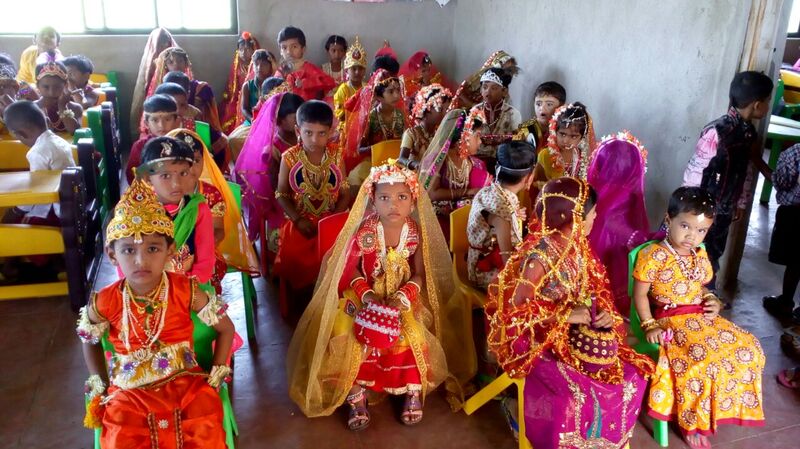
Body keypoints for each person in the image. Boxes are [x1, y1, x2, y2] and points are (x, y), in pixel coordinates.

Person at [286, 163, 472, 429]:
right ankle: (356, 394)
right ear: (372, 200)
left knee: (414, 334)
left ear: (413, 201)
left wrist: (403, 295)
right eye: (384, 198)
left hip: (402, 295)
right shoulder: (365, 231)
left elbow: (420, 274)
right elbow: (349, 272)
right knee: (345, 332)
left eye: (402, 198)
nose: (393, 205)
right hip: (364, 293)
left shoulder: (415, 233)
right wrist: (368, 296)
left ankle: (411, 390)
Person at [486, 177, 655, 449]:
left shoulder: (578, 246)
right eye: (591, 214)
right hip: (537, 337)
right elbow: (516, 312)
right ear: (573, 218)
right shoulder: (539, 257)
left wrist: (604, 314)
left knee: (632, 375)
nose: (596, 217)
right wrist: (567, 315)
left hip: (575, 332)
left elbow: (597, 289)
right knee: (574, 396)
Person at [77, 177, 233, 448]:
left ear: (169, 251)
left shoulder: (187, 290)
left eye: (152, 248)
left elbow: (226, 328)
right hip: (129, 391)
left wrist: (217, 374)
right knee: (121, 431)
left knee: (205, 418)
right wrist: (100, 382)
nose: (141, 260)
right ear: (112, 256)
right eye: (128, 250)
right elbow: (89, 340)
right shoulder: (104, 301)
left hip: (185, 382)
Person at [632, 186, 765, 448]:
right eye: (686, 226)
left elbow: (701, 286)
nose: (692, 236)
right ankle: (691, 421)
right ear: (669, 221)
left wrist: (711, 300)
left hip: (701, 317)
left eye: (701, 230)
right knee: (701, 360)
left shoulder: (699, 255)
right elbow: (639, 295)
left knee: (749, 348)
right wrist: (649, 324)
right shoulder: (653, 256)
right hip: (671, 320)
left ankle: (718, 407)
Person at [683, 71, 774, 294]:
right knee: (692, 251)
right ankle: (685, 295)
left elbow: (746, 170)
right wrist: (688, 205)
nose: (768, 107)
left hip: (724, 209)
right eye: (768, 102)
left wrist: (741, 203)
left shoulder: (749, 133)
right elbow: (696, 169)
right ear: (757, 105)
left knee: (713, 252)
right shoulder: (716, 131)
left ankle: (707, 297)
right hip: (701, 207)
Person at [274, 100, 349, 317]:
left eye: (321, 133)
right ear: (298, 130)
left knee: (341, 254)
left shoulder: (336, 155)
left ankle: (332, 304)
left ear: (331, 131)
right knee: (294, 254)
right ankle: (304, 306)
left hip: (331, 219)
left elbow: (344, 193)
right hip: (301, 221)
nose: (314, 140)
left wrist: (334, 220)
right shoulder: (289, 157)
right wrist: (298, 219)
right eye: (308, 133)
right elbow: (282, 194)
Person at [168, 129, 260, 290]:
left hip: (204, 253)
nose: (190, 167)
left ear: (204, 160)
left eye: (196, 160)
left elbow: (218, 230)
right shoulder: (159, 194)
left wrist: (198, 249)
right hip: (165, 255)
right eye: (181, 161)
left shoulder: (210, 193)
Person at [137, 136, 216, 290]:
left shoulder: (198, 210)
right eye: (165, 176)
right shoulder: (135, 215)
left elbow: (205, 264)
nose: (176, 183)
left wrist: (179, 294)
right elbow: (127, 264)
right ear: (148, 178)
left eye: (183, 173)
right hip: (146, 294)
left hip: (190, 291)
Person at [234, 92, 304, 261]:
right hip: (283, 197)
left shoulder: (306, 138)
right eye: (295, 116)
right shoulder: (272, 150)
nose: (301, 119)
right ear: (279, 119)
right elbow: (276, 189)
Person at [587, 131, 650, 315]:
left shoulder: (594, 189)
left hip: (591, 242)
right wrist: (639, 238)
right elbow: (613, 222)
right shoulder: (626, 193)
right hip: (615, 248)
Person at [467, 141, 535, 289]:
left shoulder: (491, 191)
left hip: (478, 257)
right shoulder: (503, 216)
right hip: (486, 270)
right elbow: (507, 262)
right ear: (529, 177)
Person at [419, 108, 492, 236]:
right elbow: (431, 193)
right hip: (437, 220)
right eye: (478, 136)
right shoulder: (436, 160)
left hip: (464, 216)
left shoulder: (473, 162)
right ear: (465, 137)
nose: (480, 142)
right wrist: (467, 192)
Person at [2, 100, 75, 225]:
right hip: (72, 201)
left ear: (21, 134)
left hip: (57, 211)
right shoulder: (59, 140)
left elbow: (37, 191)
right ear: (46, 120)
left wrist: (16, 211)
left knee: (10, 222)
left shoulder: (37, 153)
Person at [341, 69, 405, 194]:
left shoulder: (401, 115)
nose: (397, 95)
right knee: (355, 180)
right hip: (373, 163)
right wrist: (378, 149)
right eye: (391, 92)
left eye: (398, 90)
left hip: (397, 162)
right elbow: (359, 149)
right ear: (378, 96)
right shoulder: (370, 118)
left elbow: (407, 141)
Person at [763, 144, 800, 322]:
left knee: (794, 262)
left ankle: (785, 303)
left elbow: (781, 182)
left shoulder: (794, 153)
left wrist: (757, 161)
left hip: (795, 214)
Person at [532, 102, 596, 193]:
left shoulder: (581, 156)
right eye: (562, 134)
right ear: (554, 131)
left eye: (573, 136)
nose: (566, 140)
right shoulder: (545, 155)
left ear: (582, 137)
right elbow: (535, 186)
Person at [470, 67, 521, 171]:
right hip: (476, 162)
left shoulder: (512, 113)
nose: (487, 92)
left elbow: (518, 139)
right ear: (480, 90)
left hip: (502, 163)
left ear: (504, 91)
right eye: (485, 87)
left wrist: (503, 138)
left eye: (493, 88)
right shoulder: (475, 111)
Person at [131, 27, 177, 134]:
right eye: (161, 44)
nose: (165, 46)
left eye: (167, 42)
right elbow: (144, 85)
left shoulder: (174, 60)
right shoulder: (149, 64)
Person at [125, 94, 180, 184]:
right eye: (155, 120)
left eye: (167, 119)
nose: (161, 125)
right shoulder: (140, 146)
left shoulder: (182, 144)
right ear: (146, 123)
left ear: (176, 121)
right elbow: (132, 176)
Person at [275, 26, 336, 102]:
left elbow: (330, 82)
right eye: (284, 48)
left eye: (294, 47)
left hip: (307, 111)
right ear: (280, 51)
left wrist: (306, 83)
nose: (288, 52)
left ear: (303, 49)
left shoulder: (310, 69)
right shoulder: (280, 71)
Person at [399, 83, 452, 170]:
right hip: (414, 178)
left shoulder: (440, 133)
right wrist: (417, 165)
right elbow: (401, 159)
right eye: (440, 109)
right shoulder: (411, 134)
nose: (445, 113)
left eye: (446, 109)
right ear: (425, 109)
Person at [220, 31, 259, 134]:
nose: (243, 52)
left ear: (254, 50)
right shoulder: (237, 66)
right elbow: (232, 87)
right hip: (238, 99)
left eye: (247, 49)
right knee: (229, 111)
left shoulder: (259, 67)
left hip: (255, 98)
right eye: (241, 49)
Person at [451, 50, 518, 111]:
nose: (507, 72)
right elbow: (461, 92)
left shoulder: (504, 92)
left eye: (509, 70)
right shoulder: (481, 77)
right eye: (505, 68)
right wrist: (473, 106)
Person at [514, 81, 566, 152]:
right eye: (538, 104)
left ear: (561, 106)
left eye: (549, 104)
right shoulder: (524, 130)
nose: (542, 109)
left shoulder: (565, 130)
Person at [33, 61, 82, 135]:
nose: (51, 93)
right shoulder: (32, 108)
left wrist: (62, 107)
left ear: (65, 85)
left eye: (57, 87)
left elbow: (74, 131)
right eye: (46, 87)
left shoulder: (75, 108)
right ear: (38, 86)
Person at [399, 51, 450, 115]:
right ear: (415, 71)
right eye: (423, 71)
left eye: (429, 70)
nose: (427, 73)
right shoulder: (410, 85)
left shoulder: (435, 81)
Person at [333, 37, 367, 125]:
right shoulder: (344, 89)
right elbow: (339, 115)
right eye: (353, 69)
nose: (357, 72)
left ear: (365, 71)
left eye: (360, 69)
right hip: (347, 126)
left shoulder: (367, 88)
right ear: (346, 71)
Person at [240, 50, 276, 125]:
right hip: (251, 122)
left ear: (271, 67)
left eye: (264, 64)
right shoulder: (247, 86)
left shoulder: (277, 86)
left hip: (271, 123)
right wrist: (252, 120)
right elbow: (244, 108)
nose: (259, 68)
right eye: (256, 64)